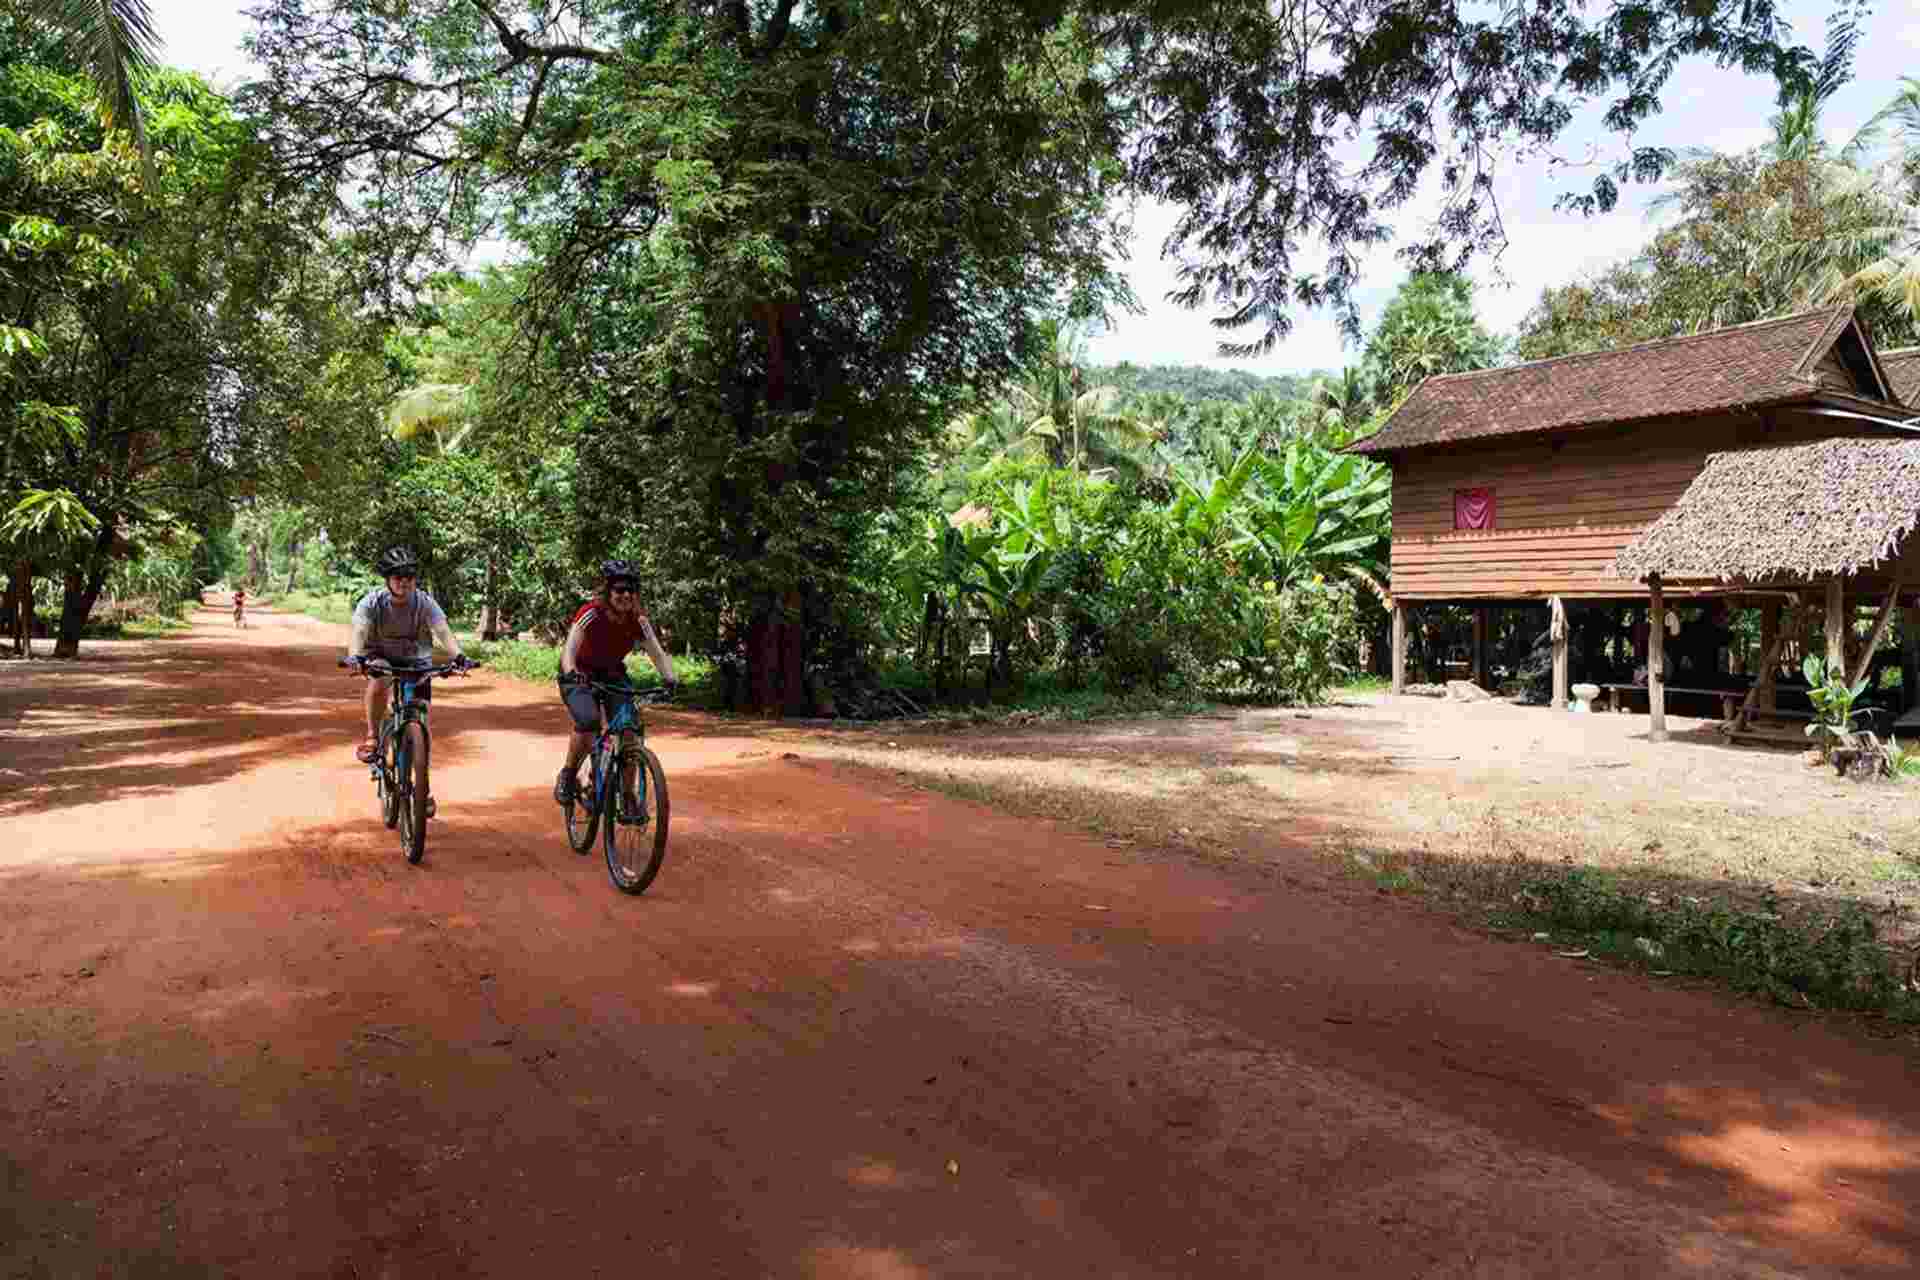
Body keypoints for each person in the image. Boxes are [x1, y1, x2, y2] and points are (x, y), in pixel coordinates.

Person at [344, 547, 471, 818]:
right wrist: (355, 656)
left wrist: (458, 656)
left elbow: (442, 631)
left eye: (410, 576)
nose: (405, 581)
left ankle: (421, 787)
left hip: (416, 661)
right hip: (380, 656)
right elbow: (359, 631)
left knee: (420, 717)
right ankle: (372, 736)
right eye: (398, 576)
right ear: (388, 579)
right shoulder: (372, 602)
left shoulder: (424, 602)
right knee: (381, 676)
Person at [554, 559, 677, 810]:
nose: (626, 595)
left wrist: (670, 678)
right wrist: (570, 672)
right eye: (620, 589)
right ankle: (568, 774)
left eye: (631, 590)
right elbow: (570, 649)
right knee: (588, 721)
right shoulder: (591, 612)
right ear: (608, 591)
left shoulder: (638, 620)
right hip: (580, 674)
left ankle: (628, 794)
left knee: (629, 729)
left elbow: (656, 651)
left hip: (612, 675)